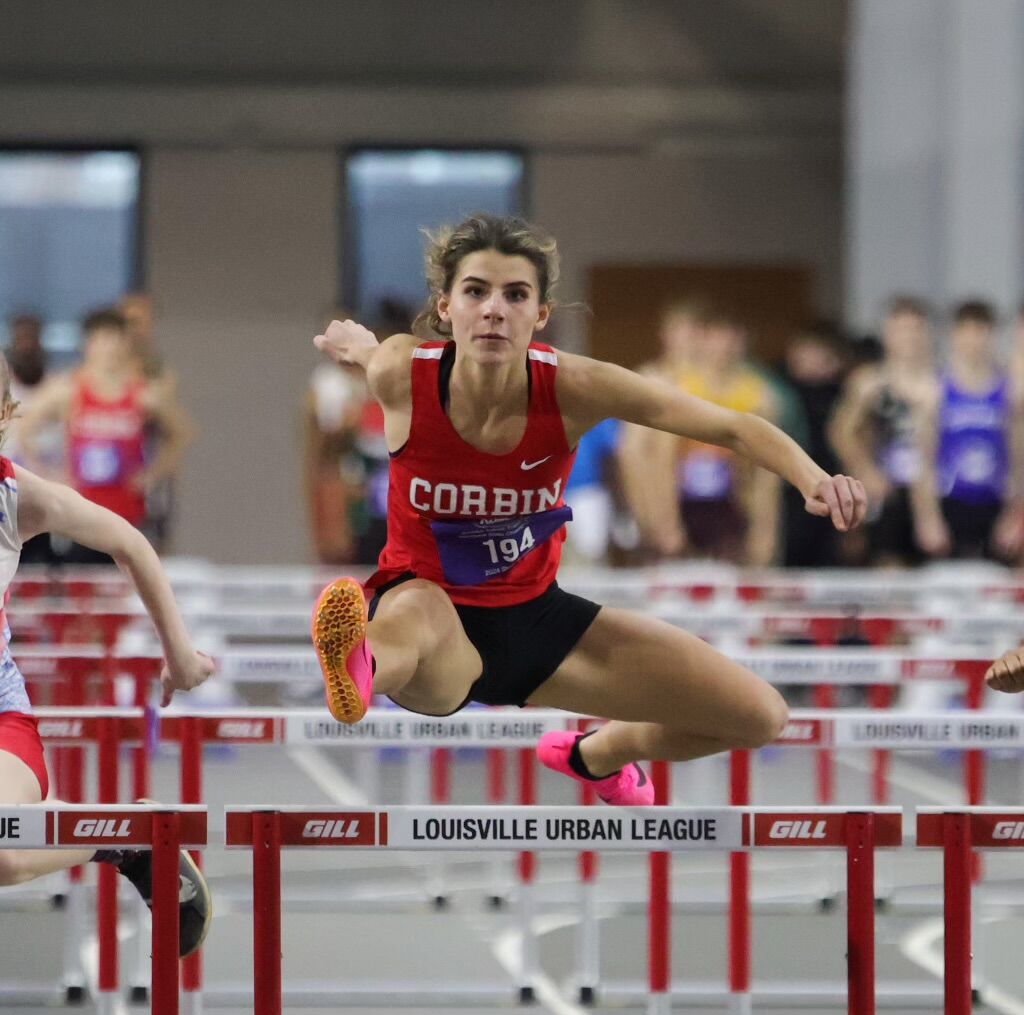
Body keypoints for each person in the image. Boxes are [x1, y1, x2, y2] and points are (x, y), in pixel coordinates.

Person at [308, 214, 866, 806]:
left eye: (516, 295)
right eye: (476, 292)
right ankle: (360, 665)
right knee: (418, 608)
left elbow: (730, 425)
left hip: (539, 620)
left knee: (759, 716)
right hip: (431, 625)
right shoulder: (404, 373)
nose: (495, 310)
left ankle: (596, 756)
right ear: (446, 308)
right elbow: (370, 354)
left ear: (540, 315)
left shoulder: (575, 386)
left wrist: (816, 478)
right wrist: (356, 345)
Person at [0, 351, 214, 955]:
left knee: (8, 860)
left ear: (6, 416)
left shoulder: (20, 497)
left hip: (2, 718)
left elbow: (131, 544)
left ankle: (128, 836)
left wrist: (180, 656)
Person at [18, 308, 192, 564]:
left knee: (129, 581)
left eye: (114, 340)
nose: (107, 350)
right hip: (82, 511)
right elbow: (24, 430)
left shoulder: (144, 393)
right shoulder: (69, 390)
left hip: (129, 510)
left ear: (125, 344)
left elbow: (181, 433)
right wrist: (51, 476)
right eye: (100, 341)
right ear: (88, 345)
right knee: (82, 584)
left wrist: (152, 474)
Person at [829, 296, 936, 566]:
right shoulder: (869, 382)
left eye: (915, 330)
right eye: (901, 330)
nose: (908, 338)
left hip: (934, 491)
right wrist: (865, 471)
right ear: (887, 333)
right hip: (888, 493)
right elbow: (840, 432)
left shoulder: (939, 383)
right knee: (888, 568)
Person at [914, 300, 1024, 560]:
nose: (974, 341)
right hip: (950, 501)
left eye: (981, 332)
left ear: (992, 335)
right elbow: (924, 460)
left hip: (994, 502)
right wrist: (927, 518)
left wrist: (1014, 514)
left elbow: (1018, 458)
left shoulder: (1011, 392)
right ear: (954, 335)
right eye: (967, 332)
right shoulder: (934, 391)